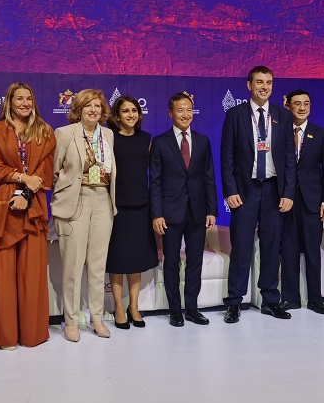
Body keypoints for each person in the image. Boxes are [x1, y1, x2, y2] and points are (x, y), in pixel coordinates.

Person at [0, 82, 55, 349]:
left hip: (32, 209)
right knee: (1, 273)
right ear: (9, 102)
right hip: (2, 208)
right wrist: (22, 179)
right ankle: (5, 336)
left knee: (31, 274)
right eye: (19, 98)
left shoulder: (44, 131)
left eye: (29, 98)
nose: (25, 103)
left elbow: (45, 172)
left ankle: (32, 334)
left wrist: (26, 194)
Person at [220, 65, 296, 323]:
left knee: (272, 246)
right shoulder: (235, 115)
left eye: (269, 82)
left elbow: (289, 158)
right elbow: (227, 157)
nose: (265, 87)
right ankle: (234, 302)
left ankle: (270, 300)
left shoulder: (282, 115)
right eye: (260, 82)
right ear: (249, 85)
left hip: (274, 189)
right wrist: (230, 190)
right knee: (241, 246)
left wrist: (288, 192)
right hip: (245, 190)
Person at [51, 89, 117, 342]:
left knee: (98, 266)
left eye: (97, 106)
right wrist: (65, 195)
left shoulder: (108, 135)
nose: (93, 110)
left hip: (103, 200)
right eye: (88, 105)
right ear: (78, 109)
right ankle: (71, 321)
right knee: (73, 266)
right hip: (75, 201)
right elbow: (54, 171)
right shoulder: (65, 133)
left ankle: (97, 318)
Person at [150, 92, 217, 327]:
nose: (185, 114)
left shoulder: (203, 141)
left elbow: (209, 177)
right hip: (170, 212)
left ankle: (192, 308)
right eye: (180, 110)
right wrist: (157, 214)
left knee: (195, 260)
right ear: (171, 113)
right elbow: (155, 181)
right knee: (171, 262)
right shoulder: (160, 142)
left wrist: (211, 210)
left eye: (189, 110)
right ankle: (175, 310)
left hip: (197, 211)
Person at [106, 96, 159, 329]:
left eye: (134, 110)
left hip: (141, 206)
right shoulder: (109, 138)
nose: (131, 115)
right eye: (125, 111)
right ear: (117, 116)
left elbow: (153, 172)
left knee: (136, 259)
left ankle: (134, 307)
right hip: (116, 207)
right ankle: (118, 307)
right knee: (117, 259)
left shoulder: (146, 139)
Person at [280, 89, 324, 314]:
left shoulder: (320, 134)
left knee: (313, 251)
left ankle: (315, 299)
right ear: (288, 106)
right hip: (285, 201)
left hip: (312, 201)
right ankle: (290, 298)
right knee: (288, 250)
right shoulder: (279, 132)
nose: (302, 108)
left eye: (306, 103)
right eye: (297, 103)